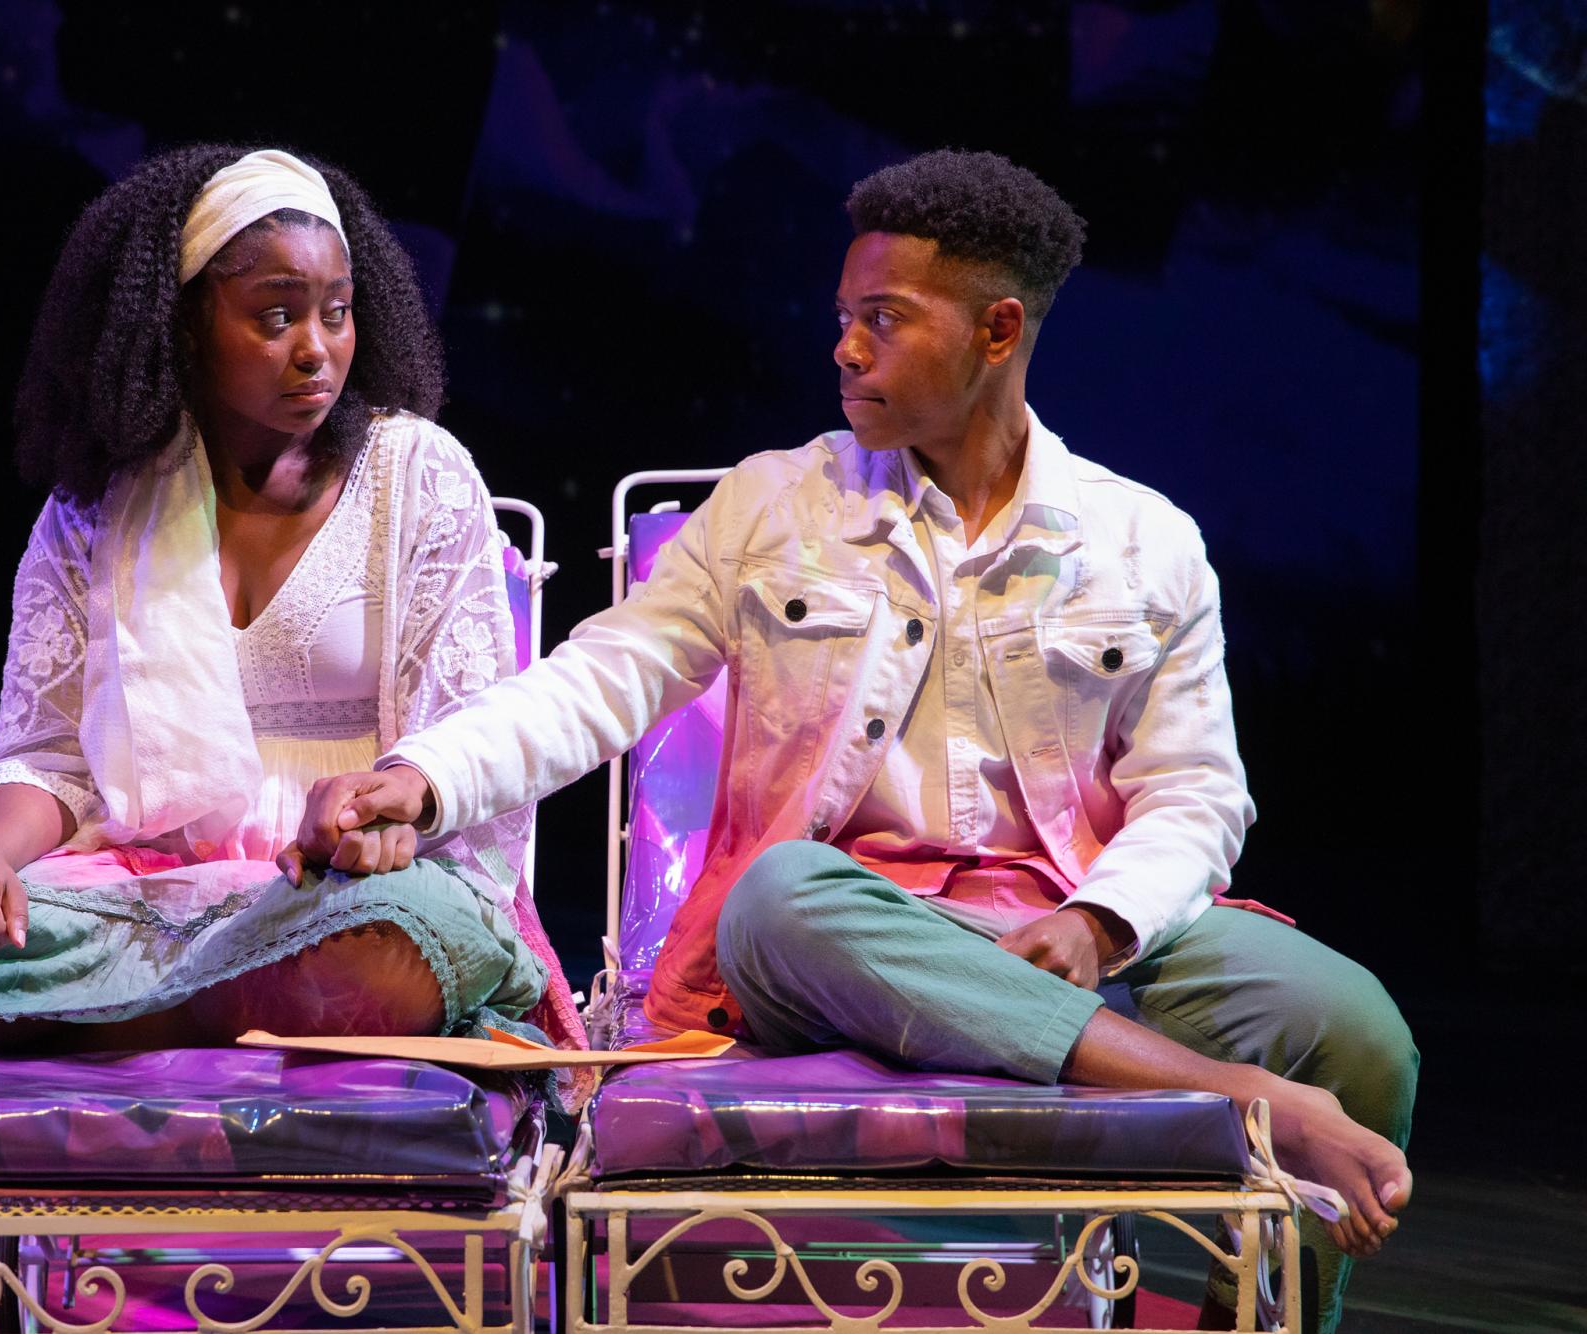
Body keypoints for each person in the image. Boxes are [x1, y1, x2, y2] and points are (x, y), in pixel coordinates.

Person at [294, 150, 1416, 1331]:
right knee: (777, 896)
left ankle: (1257, 1313)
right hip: (850, 935)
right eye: (842, 317)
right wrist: (423, 778)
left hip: (1067, 927)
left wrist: (1095, 922)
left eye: (881, 320)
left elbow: (1195, 794)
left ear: (996, 329)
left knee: (1356, 1029)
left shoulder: (1143, 540)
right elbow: (595, 681)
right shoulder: (775, 504)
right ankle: (1233, 1096)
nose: (842, 347)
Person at [0, 144, 583, 1178]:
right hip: (149, 890)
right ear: (181, 326)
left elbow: (466, 742)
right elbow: (45, 756)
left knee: (387, 942)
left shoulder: (417, 474)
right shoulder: (98, 504)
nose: (316, 348)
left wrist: (386, 813)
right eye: (274, 316)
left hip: (352, 892)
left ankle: (67, 1025)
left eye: (336, 311)